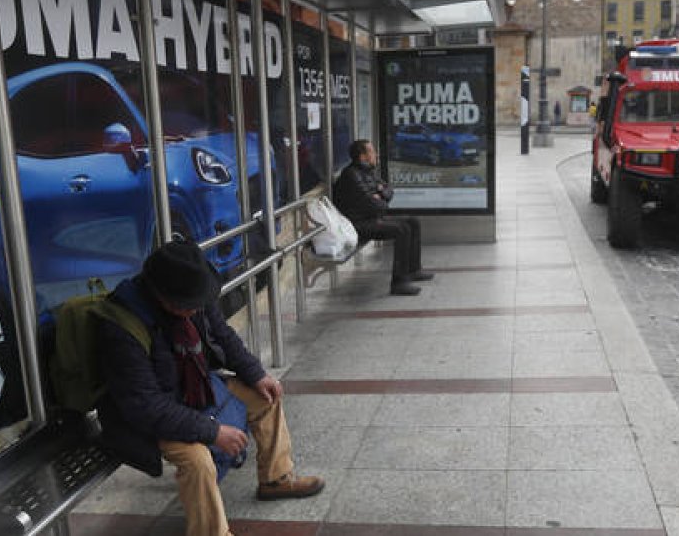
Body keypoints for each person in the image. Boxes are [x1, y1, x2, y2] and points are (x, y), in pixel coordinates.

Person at [96, 241, 324, 536]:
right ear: (160, 294)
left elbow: (223, 335)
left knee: (265, 397)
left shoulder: (193, 295)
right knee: (198, 460)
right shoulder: (122, 328)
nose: (194, 311)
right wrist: (213, 432)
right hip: (147, 417)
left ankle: (275, 478)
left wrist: (256, 375)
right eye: (186, 306)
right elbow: (146, 408)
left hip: (194, 389)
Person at [333, 139, 434, 295]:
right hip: (358, 224)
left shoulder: (368, 172)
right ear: (362, 156)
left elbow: (389, 191)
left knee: (413, 221)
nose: (376, 155)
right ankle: (399, 282)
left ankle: (414, 270)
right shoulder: (351, 175)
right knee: (401, 229)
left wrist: (380, 194)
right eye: (372, 151)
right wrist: (380, 196)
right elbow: (373, 204)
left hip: (372, 218)